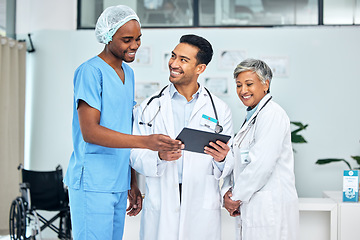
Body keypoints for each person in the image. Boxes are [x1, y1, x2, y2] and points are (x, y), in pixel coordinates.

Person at [63, 5, 183, 240]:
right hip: (93, 182)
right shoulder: (90, 72)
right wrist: (147, 142)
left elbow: (123, 127)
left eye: (138, 38)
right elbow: (90, 132)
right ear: (107, 37)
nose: (135, 45)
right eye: (127, 39)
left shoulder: (128, 74)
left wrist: (132, 180)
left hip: (118, 180)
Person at [130, 34, 234, 240]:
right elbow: (134, 155)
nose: (173, 64)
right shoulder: (149, 107)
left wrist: (223, 158)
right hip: (162, 199)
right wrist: (159, 157)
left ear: (200, 68)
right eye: (173, 56)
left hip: (200, 201)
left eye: (183, 60)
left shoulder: (220, 110)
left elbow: (226, 166)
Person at [222, 59, 299, 240]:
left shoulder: (272, 114)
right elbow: (243, 161)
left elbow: (261, 164)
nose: (243, 91)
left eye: (249, 84)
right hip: (256, 205)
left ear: (266, 84)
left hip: (270, 208)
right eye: (239, 85)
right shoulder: (253, 117)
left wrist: (236, 197)